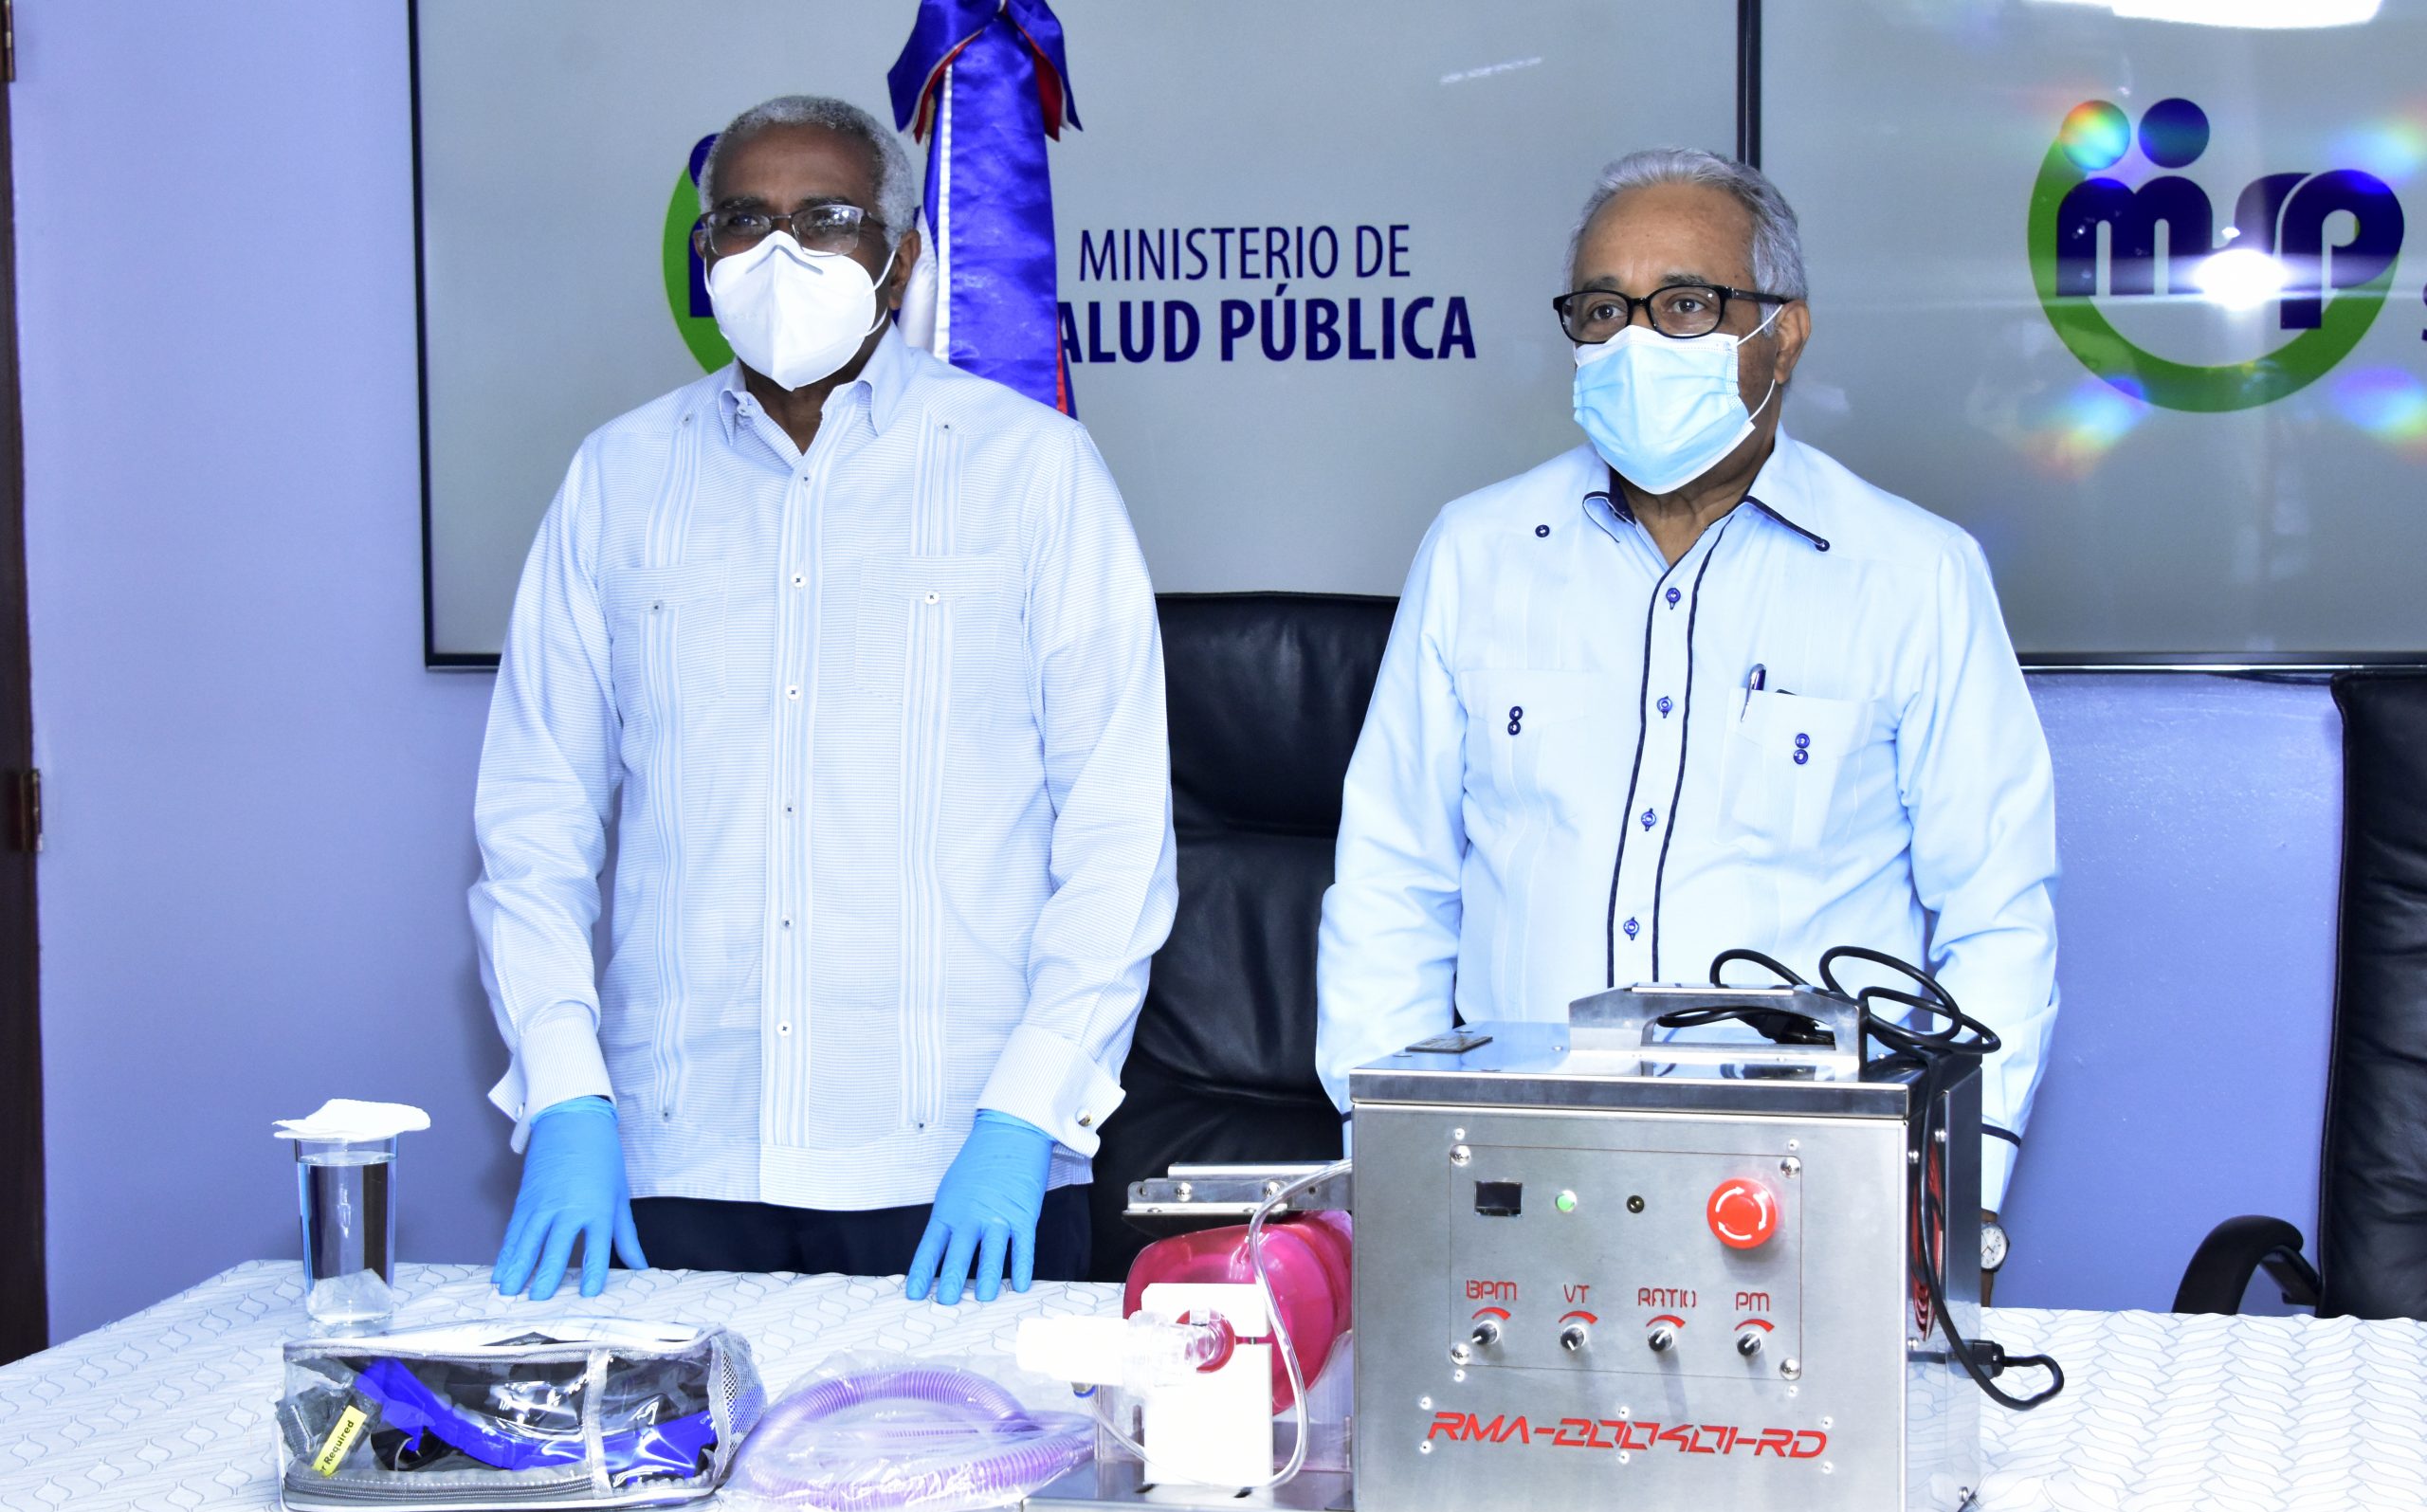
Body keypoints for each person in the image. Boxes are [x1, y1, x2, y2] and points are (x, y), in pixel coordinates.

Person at [470, 95, 1176, 1305]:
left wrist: (1027, 1115)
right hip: (674, 1157)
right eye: (745, 219)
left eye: (827, 219)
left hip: (957, 1163)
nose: (781, 252)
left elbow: (1117, 839)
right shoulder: (616, 479)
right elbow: (532, 828)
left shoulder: (1032, 471)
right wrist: (566, 1092)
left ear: (900, 260)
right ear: (705, 257)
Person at [1314, 148, 2056, 1296]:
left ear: (1783, 334)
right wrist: (1387, 1161)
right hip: (1507, 1175)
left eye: (1685, 305)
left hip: (1810, 1191)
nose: (1634, 343)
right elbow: (1391, 883)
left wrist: (1951, 1188)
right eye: (1602, 309)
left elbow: (1996, 916)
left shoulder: (1914, 575)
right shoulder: (1476, 554)